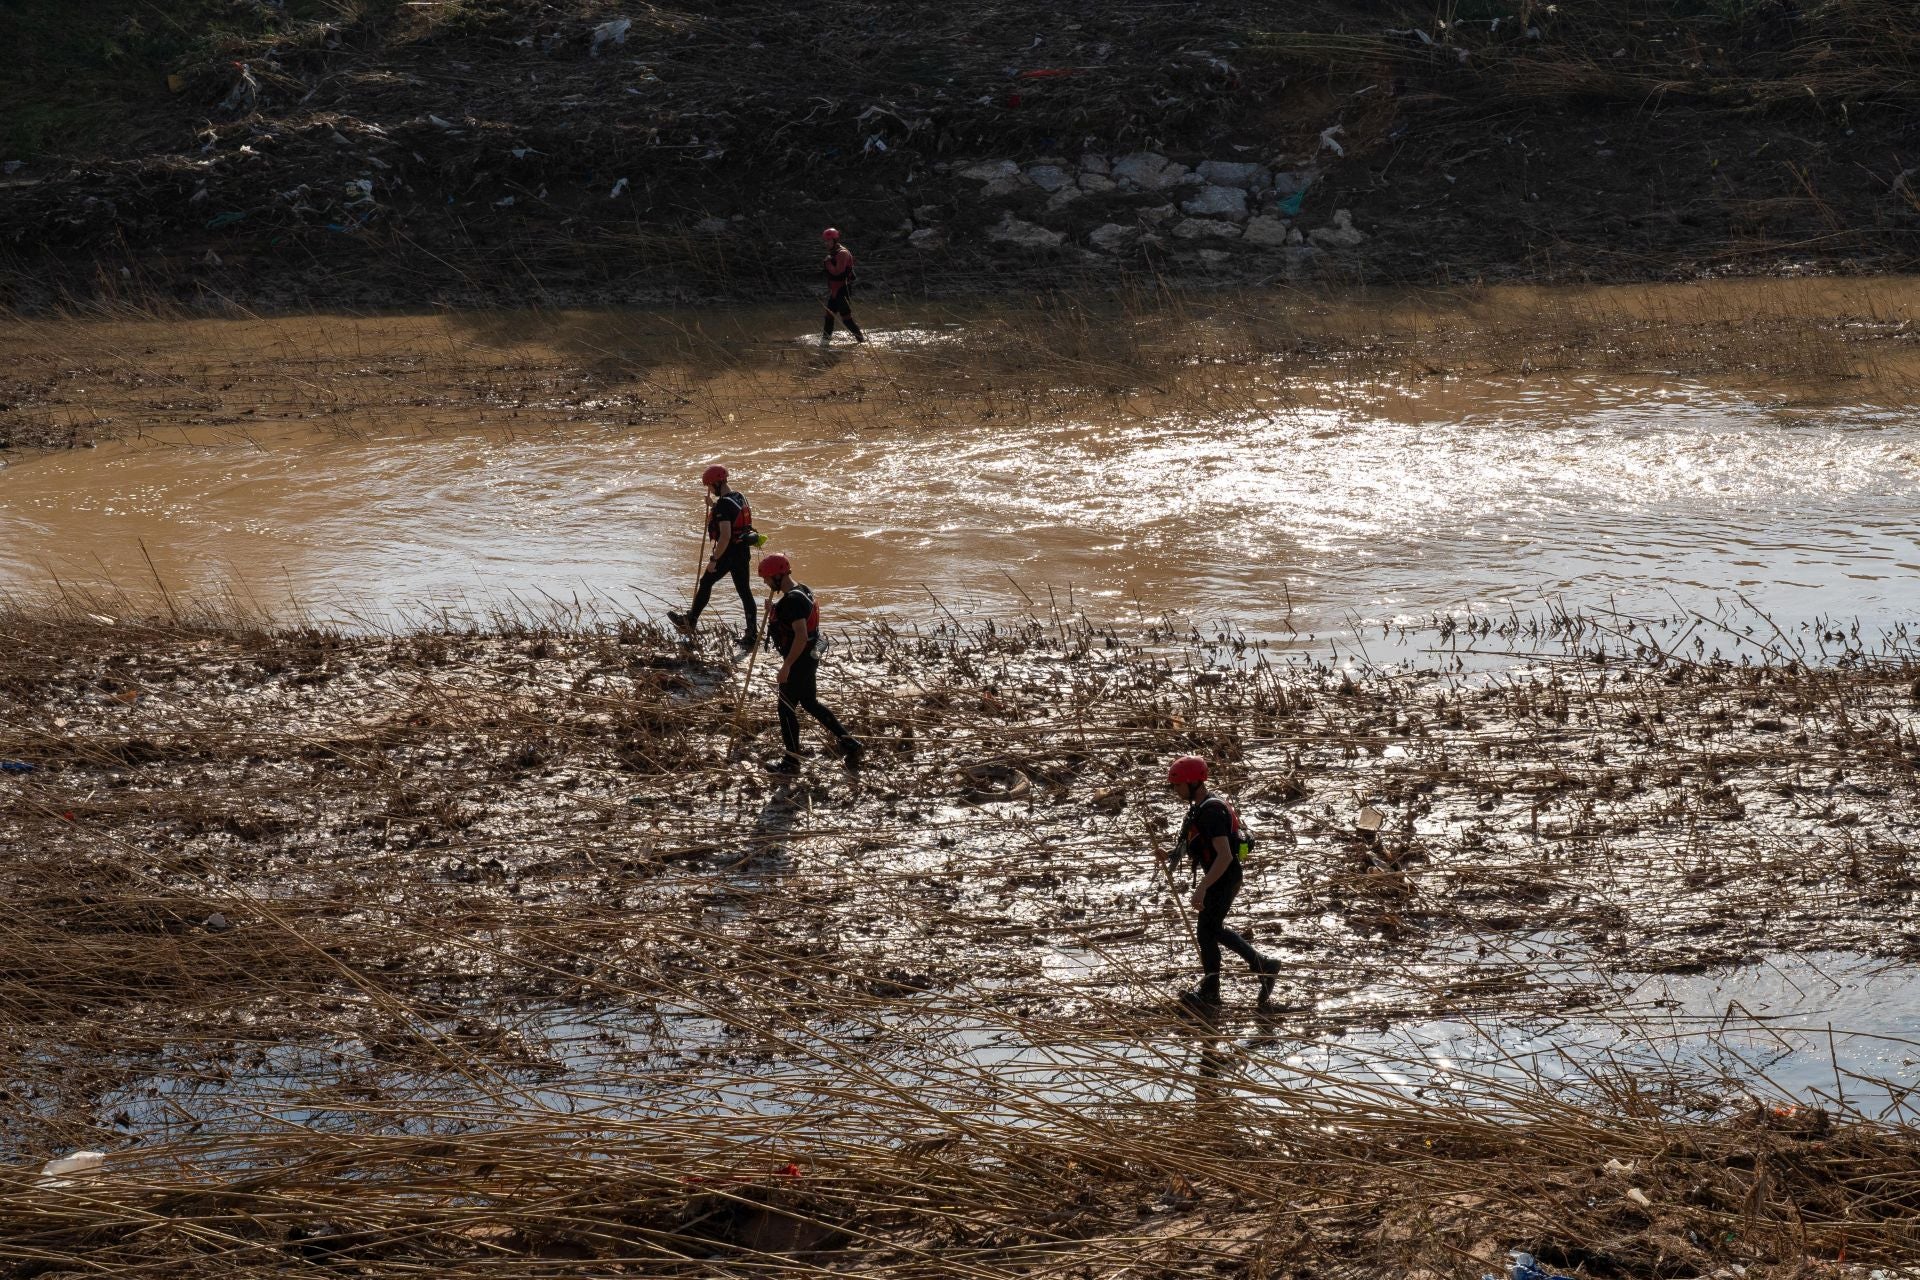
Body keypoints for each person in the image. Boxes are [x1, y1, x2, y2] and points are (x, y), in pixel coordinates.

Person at [1164, 755, 1280, 1010]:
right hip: (1221, 876)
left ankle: (1260, 966)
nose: (1175, 791)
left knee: (1211, 930)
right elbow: (1197, 842)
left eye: (1178, 785)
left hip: (1223, 877)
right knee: (1208, 932)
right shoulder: (1202, 805)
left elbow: (1225, 855)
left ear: (1193, 782)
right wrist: (1168, 854)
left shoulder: (1211, 811)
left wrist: (1202, 887)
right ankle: (1213, 988)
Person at [758, 552, 864, 773]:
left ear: (778, 576)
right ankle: (850, 743)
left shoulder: (792, 600)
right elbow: (795, 615)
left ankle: (792, 761)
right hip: (811, 655)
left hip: (800, 659)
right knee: (809, 703)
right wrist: (774, 611)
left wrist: (786, 666)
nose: (765, 582)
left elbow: (801, 635)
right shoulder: (802, 589)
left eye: (767, 578)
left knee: (785, 709)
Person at [668, 464, 757, 648]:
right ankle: (752, 633)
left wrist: (714, 560)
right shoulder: (740, 497)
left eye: (709, 486)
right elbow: (731, 512)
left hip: (728, 553)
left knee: (706, 582)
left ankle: (690, 621)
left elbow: (724, 535)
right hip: (743, 552)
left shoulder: (724, 504)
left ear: (716, 483)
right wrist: (713, 506)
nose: (709, 490)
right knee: (745, 592)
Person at [819, 227, 865, 345]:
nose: (826, 243)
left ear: (835, 240)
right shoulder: (833, 253)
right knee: (829, 315)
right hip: (835, 291)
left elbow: (838, 272)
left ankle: (861, 341)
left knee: (846, 319)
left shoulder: (842, 253)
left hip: (843, 290)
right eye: (825, 241)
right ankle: (824, 343)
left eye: (828, 241)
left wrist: (828, 263)